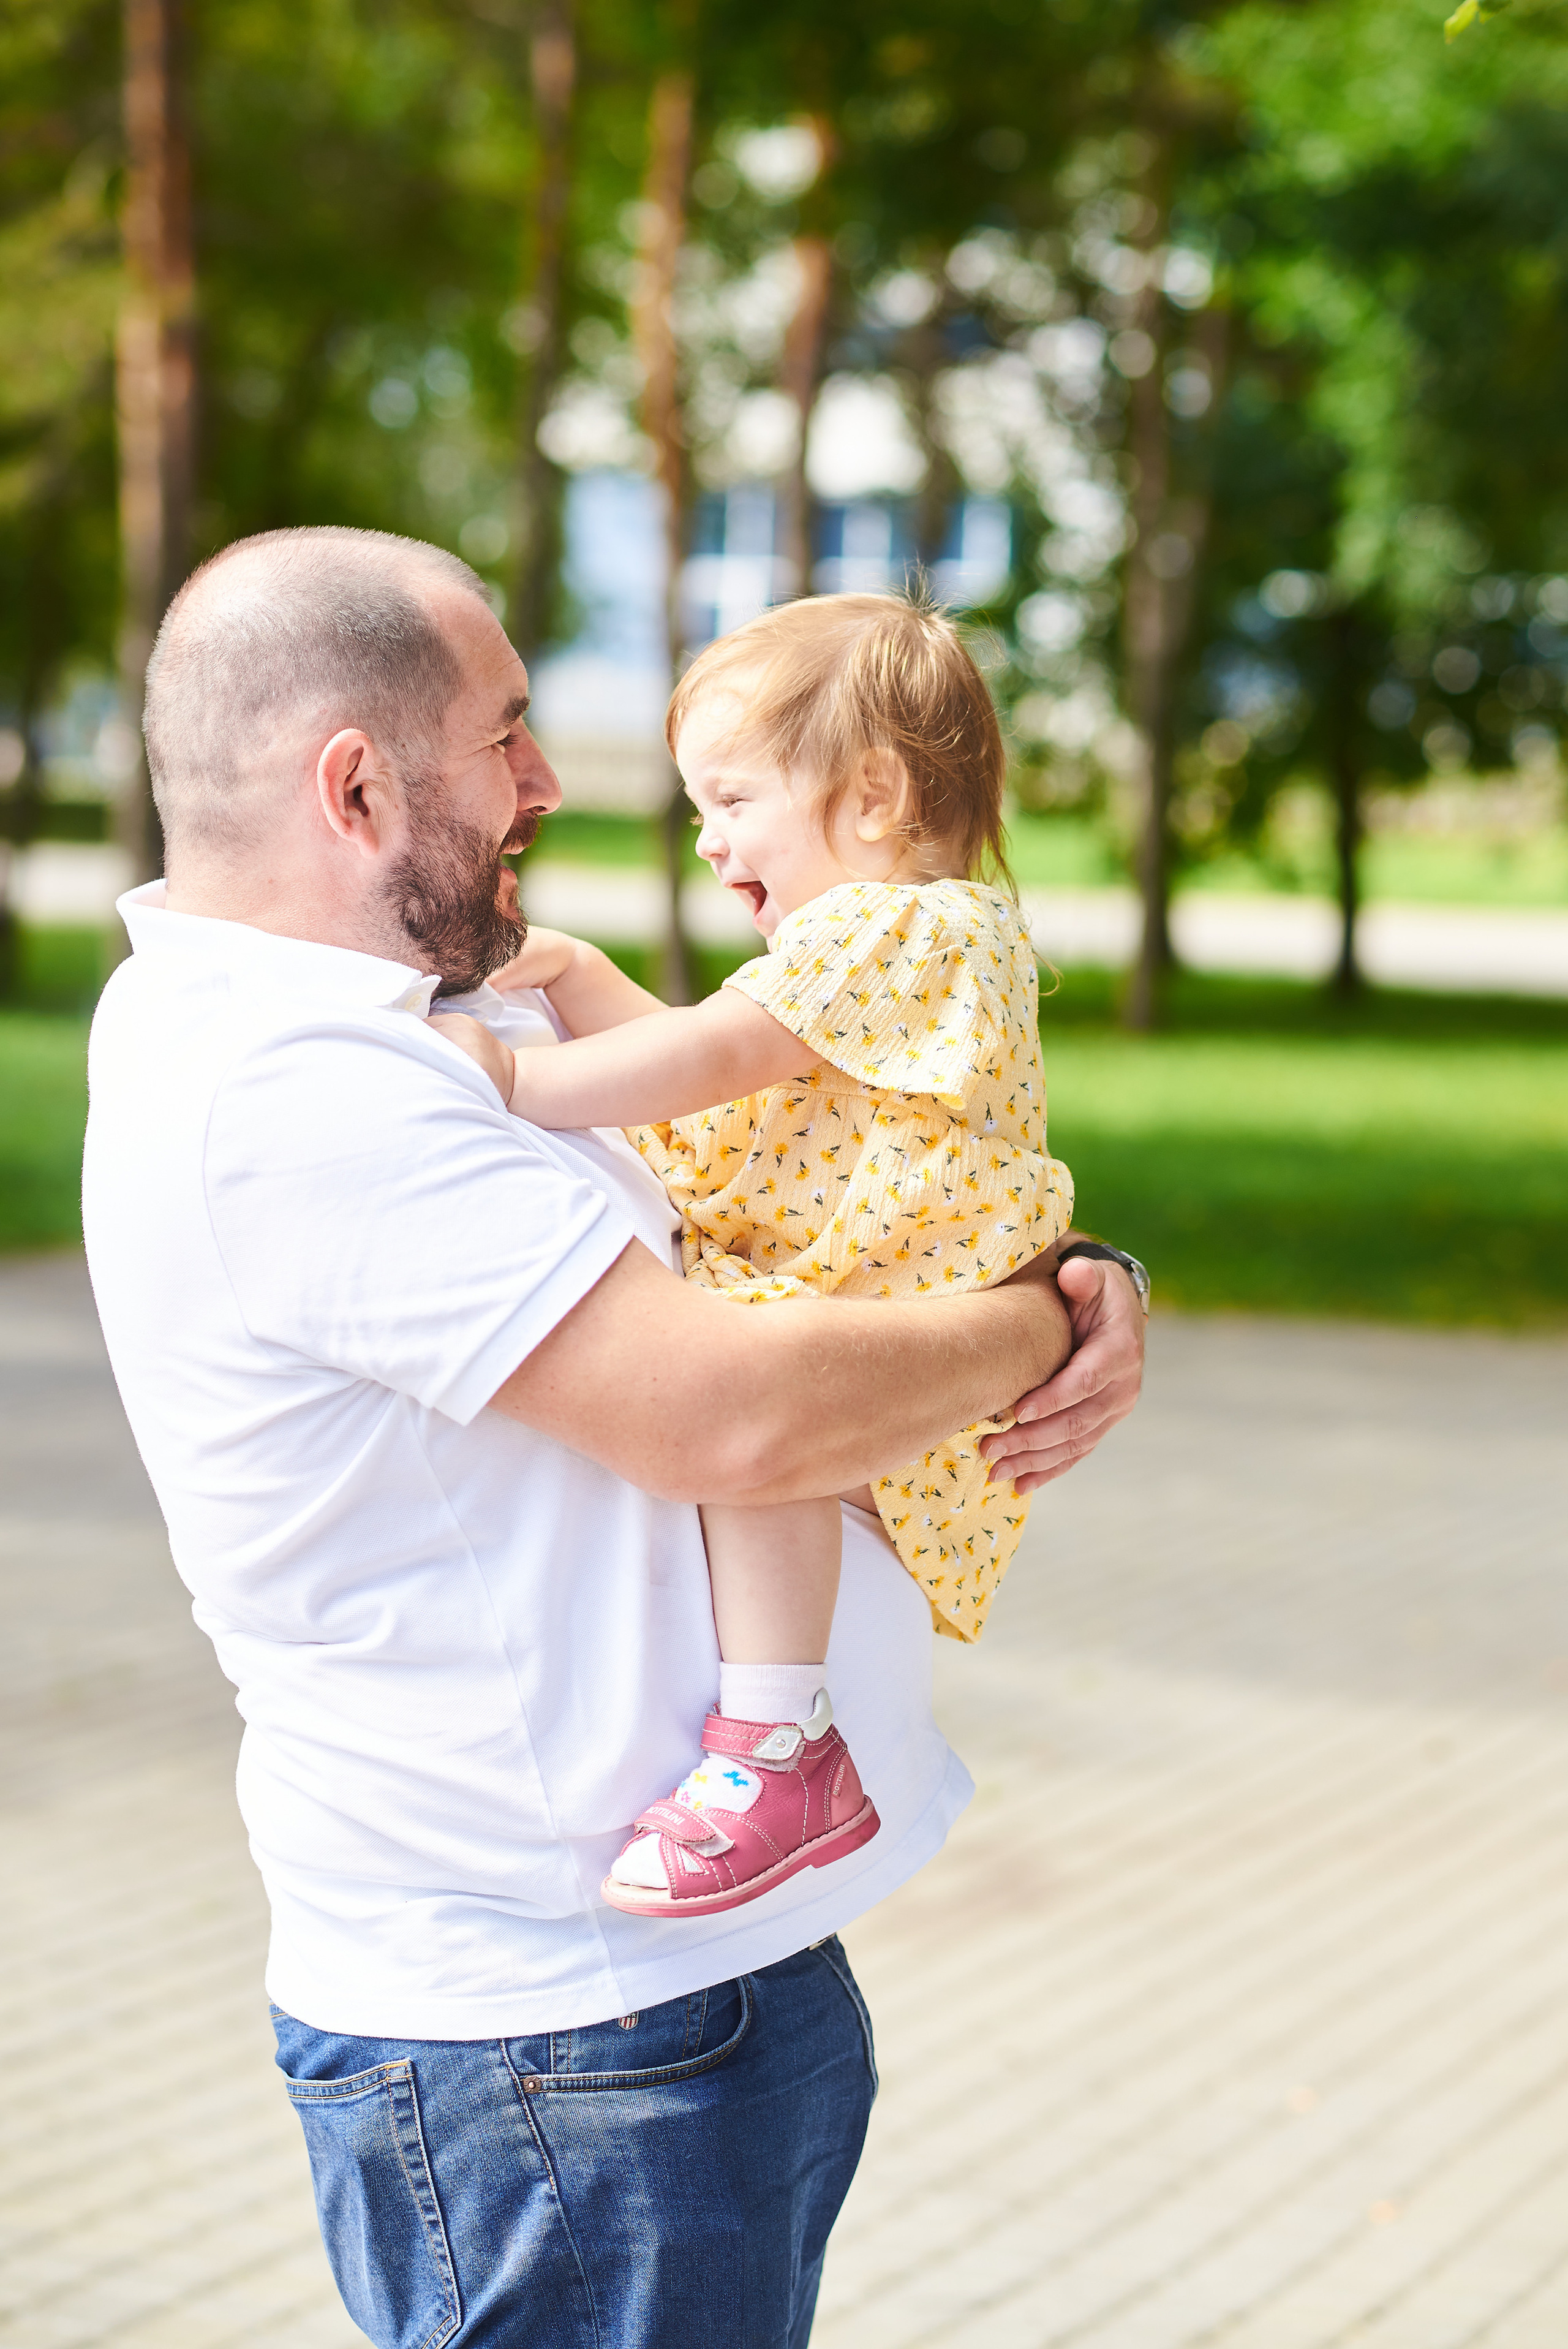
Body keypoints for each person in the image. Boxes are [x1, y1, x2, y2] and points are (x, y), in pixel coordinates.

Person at [82, 525, 1147, 2349]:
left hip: (648, 2009)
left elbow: (797, 1181)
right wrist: (1042, 1321)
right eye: (504, 734)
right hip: (559, 2046)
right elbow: (739, 1411)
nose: (547, 782)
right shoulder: (295, 1091)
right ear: (355, 787)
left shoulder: (422, 1006)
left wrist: (1068, 1268)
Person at [435, 591, 1076, 1922]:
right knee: (764, 1389)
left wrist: (514, 1079)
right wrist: (573, 972)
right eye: (698, 808)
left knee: (762, 1407)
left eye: (732, 800)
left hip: (879, 1324)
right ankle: (781, 1734)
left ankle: (781, 1740)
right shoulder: (905, 940)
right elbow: (714, 1074)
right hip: (924, 1317)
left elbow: (712, 1055)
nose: (707, 839)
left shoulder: (899, 926)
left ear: (874, 795)